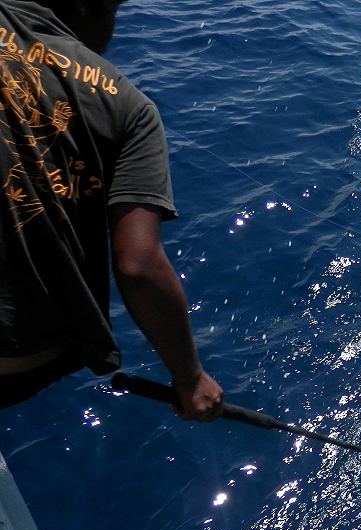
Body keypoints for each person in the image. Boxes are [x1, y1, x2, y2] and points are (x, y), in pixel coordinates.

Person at [0, 0, 222, 419]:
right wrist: (190, 380)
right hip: (19, 357)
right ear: (96, 10)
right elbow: (139, 266)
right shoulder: (132, 109)